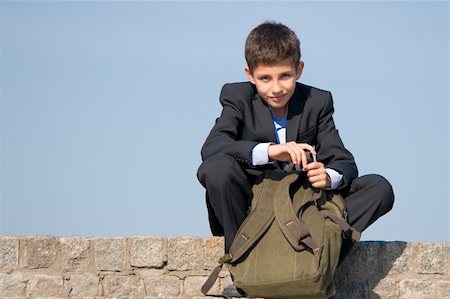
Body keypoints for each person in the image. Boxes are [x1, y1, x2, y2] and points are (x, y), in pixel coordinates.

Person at [197, 21, 394, 297]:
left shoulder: (318, 101)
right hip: (252, 209)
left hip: (302, 207)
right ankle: (244, 271)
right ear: (250, 75)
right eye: (265, 78)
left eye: (285, 76)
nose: (276, 88)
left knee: (379, 188)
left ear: (298, 70)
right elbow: (213, 148)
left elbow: (345, 163)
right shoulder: (236, 96)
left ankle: (315, 269)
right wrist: (269, 150)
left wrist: (327, 176)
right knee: (216, 167)